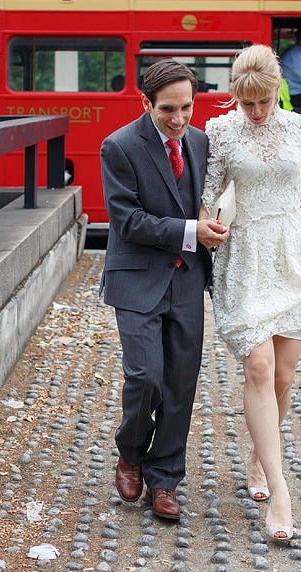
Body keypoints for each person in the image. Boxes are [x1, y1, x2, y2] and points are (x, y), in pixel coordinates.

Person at [202, 44, 301, 544]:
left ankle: (260, 456)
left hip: (293, 252)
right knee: (257, 366)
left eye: (263, 101)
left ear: (278, 89)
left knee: (283, 375)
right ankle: (281, 493)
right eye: (246, 102)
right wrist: (208, 225)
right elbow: (211, 191)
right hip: (246, 257)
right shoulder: (221, 130)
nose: (254, 113)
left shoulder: (300, 128)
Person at [100, 60, 230, 522]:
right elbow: (127, 221)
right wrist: (193, 230)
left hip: (187, 279)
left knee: (180, 385)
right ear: (145, 103)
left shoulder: (200, 142)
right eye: (168, 110)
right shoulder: (118, 146)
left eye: (187, 108)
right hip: (136, 279)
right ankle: (131, 451)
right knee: (145, 376)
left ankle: (164, 479)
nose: (179, 120)